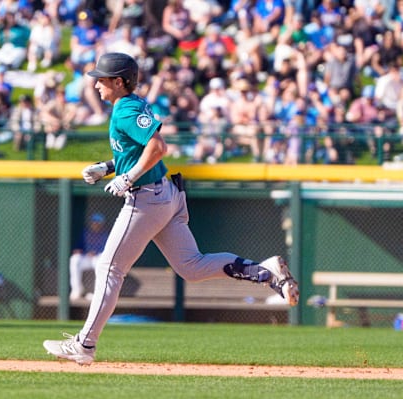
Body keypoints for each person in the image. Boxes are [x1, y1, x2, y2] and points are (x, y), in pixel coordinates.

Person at [42, 52, 299, 365]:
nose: (96, 84)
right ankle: (265, 271)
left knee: (109, 268)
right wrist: (108, 167)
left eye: (103, 78)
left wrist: (127, 177)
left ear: (119, 82)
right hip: (166, 194)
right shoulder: (130, 105)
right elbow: (139, 151)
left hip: (147, 197)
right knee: (192, 266)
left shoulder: (125, 109)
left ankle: (85, 344)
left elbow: (159, 147)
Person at [69, 212, 110, 301]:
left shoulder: (105, 235)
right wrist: (79, 251)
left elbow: (107, 251)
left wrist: (95, 252)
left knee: (100, 261)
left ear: (102, 224)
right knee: (74, 259)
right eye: (94, 222)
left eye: (98, 223)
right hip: (86, 258)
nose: (95, 224)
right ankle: (76, 289)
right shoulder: (85, 233)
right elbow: (79, 247)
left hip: (98, 258)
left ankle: (97, 293)